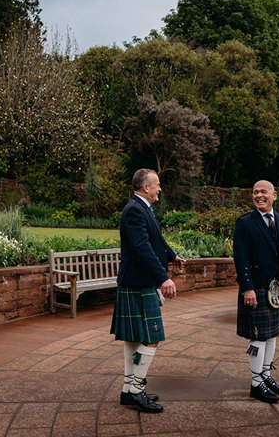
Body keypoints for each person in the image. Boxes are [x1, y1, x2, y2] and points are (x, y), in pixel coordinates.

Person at [110, 168, 184, 413]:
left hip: (137, 283)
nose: (160, 189)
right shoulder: (134, 210)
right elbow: (142, 247)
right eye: (157, 185)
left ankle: (128, 391)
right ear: (145, 187)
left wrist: (172, 256)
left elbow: (155, 239)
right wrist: (164, 278)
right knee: (152, 338)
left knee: (134, 340)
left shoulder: (142, 208)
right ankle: (136, 390)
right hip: (138, 283)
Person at [233, 179, 279, 403]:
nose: (258, 195)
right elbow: (240, 258)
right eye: (254, 192)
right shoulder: (245, 223)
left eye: (263, 192)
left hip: (274, 289)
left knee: (272, 334)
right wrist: (247, 288)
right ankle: (256, 384)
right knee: (257, 336)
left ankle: (266, 375)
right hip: (255, 288)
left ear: (274, 195)